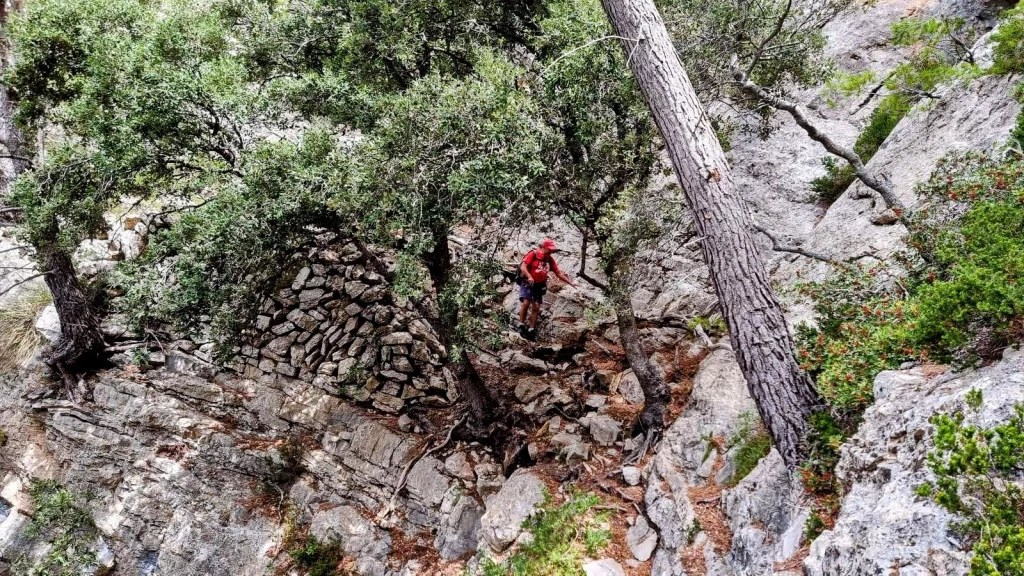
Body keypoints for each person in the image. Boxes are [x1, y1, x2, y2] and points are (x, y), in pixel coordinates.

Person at [517, 238, 577, 341]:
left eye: (552, 250)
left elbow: (558, 273)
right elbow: (523, 266)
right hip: (527, 282)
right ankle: (521, 325)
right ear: (544, 247)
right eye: (550, 249)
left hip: (539, 284)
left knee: (536, 306)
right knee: (526, 302)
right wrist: (529, 276)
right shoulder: (533, 254)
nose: (551, 252)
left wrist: (570, 283)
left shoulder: (549, 259)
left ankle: (531, 329)